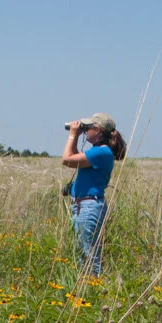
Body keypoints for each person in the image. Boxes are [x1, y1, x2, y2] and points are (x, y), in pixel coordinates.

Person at [62, 112, 126, 276]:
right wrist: (76, 136)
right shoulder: (99, 152)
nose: (85, 131)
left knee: (89, 256)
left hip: (88, 207)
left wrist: (72, 135)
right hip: (85, 206)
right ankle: (89, 284)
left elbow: (67, 159)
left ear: (98, 130)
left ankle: (93, 285)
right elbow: (75, 158)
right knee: (84, 254)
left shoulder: (101, 153)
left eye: (88, 128)